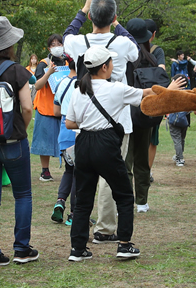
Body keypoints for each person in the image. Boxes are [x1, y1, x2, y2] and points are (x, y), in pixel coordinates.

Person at [65, 45, 184, 262]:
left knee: (83, 199)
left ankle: (78, 249)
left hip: (83, 143)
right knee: (124, 195)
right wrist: (170, 88)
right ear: (104, 67)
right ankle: (124, 244)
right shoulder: (116, 88)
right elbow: (146, 94)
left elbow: (70, 123)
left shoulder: (78, 90)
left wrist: (89, 122)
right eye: (110, 62)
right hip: (105, 143)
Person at [62, 0, 140, 243]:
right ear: (114, 17)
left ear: (90, 17)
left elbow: (66, 36)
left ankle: (79, 233)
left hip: (84, 116)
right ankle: (105, 228)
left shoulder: (78, 42)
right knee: (112, 175)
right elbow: (135, 48)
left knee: (85, 177)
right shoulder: (122, 43)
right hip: (117, 121)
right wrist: (118, 25)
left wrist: (82, 11)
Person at [0, 16, 38, 267]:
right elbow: (27, 107)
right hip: (13, 141)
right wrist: (20, 129)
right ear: (8, 44)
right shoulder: (16, 70)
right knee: (22, 195)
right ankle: (21, 249)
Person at [123, 18, 167, 213]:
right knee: (142, 159)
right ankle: (142, 202)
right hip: (145, 113)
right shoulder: (152, 59)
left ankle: (124, 202)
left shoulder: (122, 59)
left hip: (125, 113)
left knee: (125, 160)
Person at [31, 34, 68, 181]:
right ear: (49, 48)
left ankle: (69, 168)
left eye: (59, 43)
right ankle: (45, 171)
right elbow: (37, 85)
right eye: (53, 44)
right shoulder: (44, 63)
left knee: (66, 140)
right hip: (45, 107)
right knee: (44, 141)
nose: (57, 47)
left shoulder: (68, 63)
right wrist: (49, 73)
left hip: (63, 108)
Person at [51, 56, 79, 225]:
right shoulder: (83, 84)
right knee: (78, 174)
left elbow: (56, 111)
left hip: (63, 132)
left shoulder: (61, 83)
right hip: (76, 132)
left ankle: (60, 201)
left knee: (69, 171)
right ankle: (74, 214)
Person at [142, 20, 166, 181]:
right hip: (153, 98)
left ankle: (136, 169)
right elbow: (161, 70)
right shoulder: (157, 51)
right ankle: (147, 171)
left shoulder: (132, 48)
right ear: (154, 34)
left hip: (134, 96)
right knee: (153, 139)